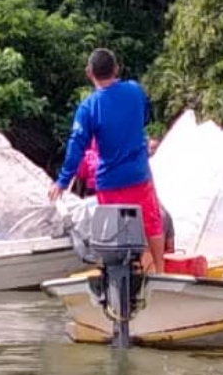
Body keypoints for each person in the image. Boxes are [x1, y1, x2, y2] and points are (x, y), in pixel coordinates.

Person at [47, 48, 166, 274]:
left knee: (114, 229)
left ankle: (119, 273)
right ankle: (160, 269)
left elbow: (76, 146)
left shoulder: (89, 107)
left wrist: (62, 181)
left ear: (89, 73)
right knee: (151, 221)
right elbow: (143, 116)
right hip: (137, 176)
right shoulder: (135, 91)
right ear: (116, 69)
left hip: (108, 182)